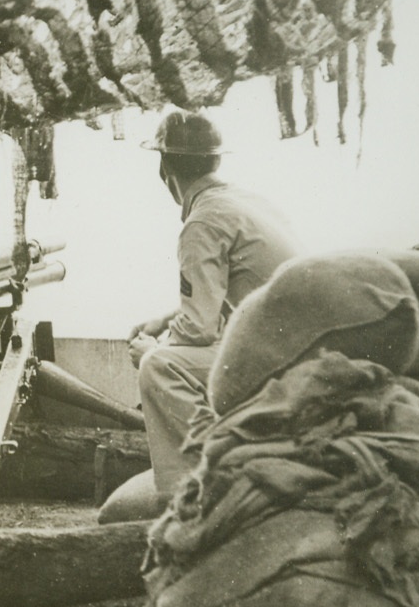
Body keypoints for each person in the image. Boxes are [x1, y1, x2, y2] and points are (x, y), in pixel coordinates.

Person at [115, 110, 298, 512]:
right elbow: (239, 294)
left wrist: (151, 351)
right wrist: (167, 318)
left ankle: (198, 495)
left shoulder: (202, 222)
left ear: (165, 169)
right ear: (216, 160)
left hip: (275, 361)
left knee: (160, 367)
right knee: (170, 357)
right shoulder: (249, 202)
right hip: (295, 350)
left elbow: (197, 329)